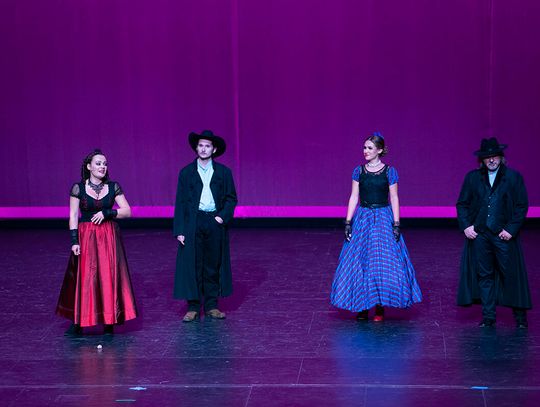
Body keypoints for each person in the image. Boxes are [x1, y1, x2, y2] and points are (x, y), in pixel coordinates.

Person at [330, 132, 422, 321]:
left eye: (370, 148)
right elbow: (354, 197)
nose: (365, 151)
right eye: (364, 147)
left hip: (382, 217)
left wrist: (396, 223)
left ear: (379, 150)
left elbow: (394, 198)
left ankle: (379, 307)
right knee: (360, 262)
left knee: (381, 262)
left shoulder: (389, 172)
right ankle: (362, 306)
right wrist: (348, 221)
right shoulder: (358, 171)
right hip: (363, 218)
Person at [56, 149, 138, 335]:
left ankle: (109, 321)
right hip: (86, 236)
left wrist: (108, 212)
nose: (102, 167)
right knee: (86, 277)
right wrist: (74, 240)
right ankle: (79, 320)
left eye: (105, 164)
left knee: (108, 275)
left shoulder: (113, 186)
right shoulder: (78, 188)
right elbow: (73, 215)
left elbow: (127, 211)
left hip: (108, 236)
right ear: (89, 167)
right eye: (98, 163)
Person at [456, 137, 531, 328]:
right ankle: (488, 317)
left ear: (501, 157)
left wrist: (511, 229)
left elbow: (521, 205)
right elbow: (462, 204)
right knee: (485, 276)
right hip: (481, 234)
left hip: (502, 235)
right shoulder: (473, 178)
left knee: (510, 275)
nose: (491, 160)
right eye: (487, 157)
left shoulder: (513, 177)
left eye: (495, 156)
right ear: (482, 159)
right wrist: (466, 226)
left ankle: (520, 318)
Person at [173, 130, 238, 322]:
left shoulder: (223, 172)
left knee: (212, 264)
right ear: (196, 148)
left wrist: (221, 218)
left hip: (213, 220)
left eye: (207, 146)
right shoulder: (186, 172)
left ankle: (211, 305)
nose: (203, 149)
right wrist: (180, 230)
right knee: (193, 264)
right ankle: (193, 306)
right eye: (200, 145)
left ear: (214, 149)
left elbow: (231, 198)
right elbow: (180, 202)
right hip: (193, 222)